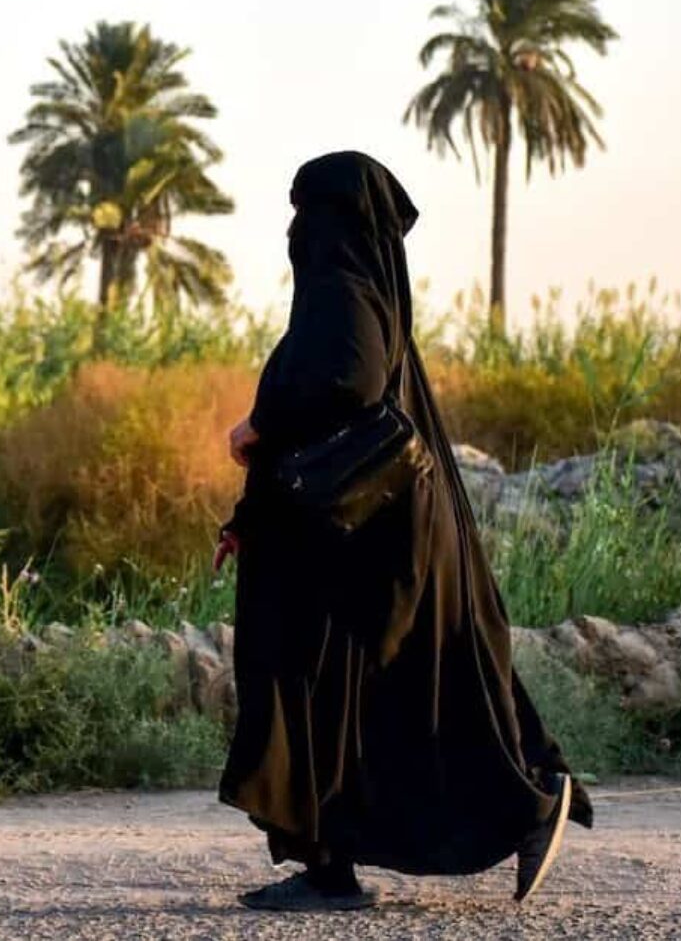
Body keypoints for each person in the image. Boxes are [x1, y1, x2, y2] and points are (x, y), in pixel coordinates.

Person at [215, 151, 591, 912]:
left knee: (323, 688)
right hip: (360, 537)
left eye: (307, 212)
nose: (296, 230)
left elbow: (346, 385)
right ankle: (334, 865)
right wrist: (251, 517)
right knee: (357, 696)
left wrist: (261, 422)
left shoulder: (342, 293)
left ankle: (513, 808)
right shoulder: (360, 290)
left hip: (353, 544)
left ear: (332, 222)